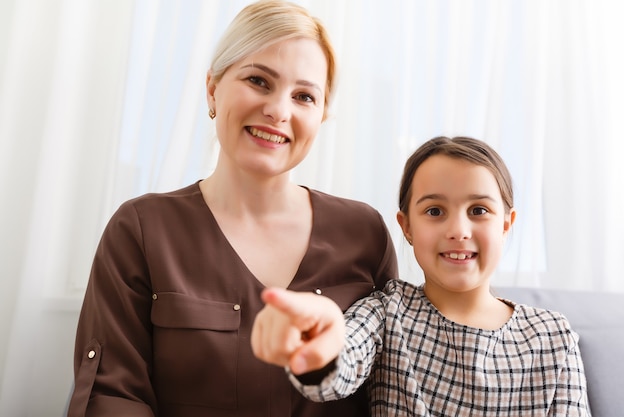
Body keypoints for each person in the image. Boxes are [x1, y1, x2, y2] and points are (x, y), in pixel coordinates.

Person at [66, 1, 398, 416]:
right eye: (259, 80)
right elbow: (113, 395)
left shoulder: (365, 232)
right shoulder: (141, 229)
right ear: (212, 88)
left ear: (321, 115)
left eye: (304, 96)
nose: (279, 111)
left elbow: (391, 387)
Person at [251, 136, 591, 416]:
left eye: (478, 211)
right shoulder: (387, 312)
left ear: (506, 225)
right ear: (407, 227)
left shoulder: (553, 336)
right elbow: (340, 367)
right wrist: (321, 343)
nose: (458, 230)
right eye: (434, 211)